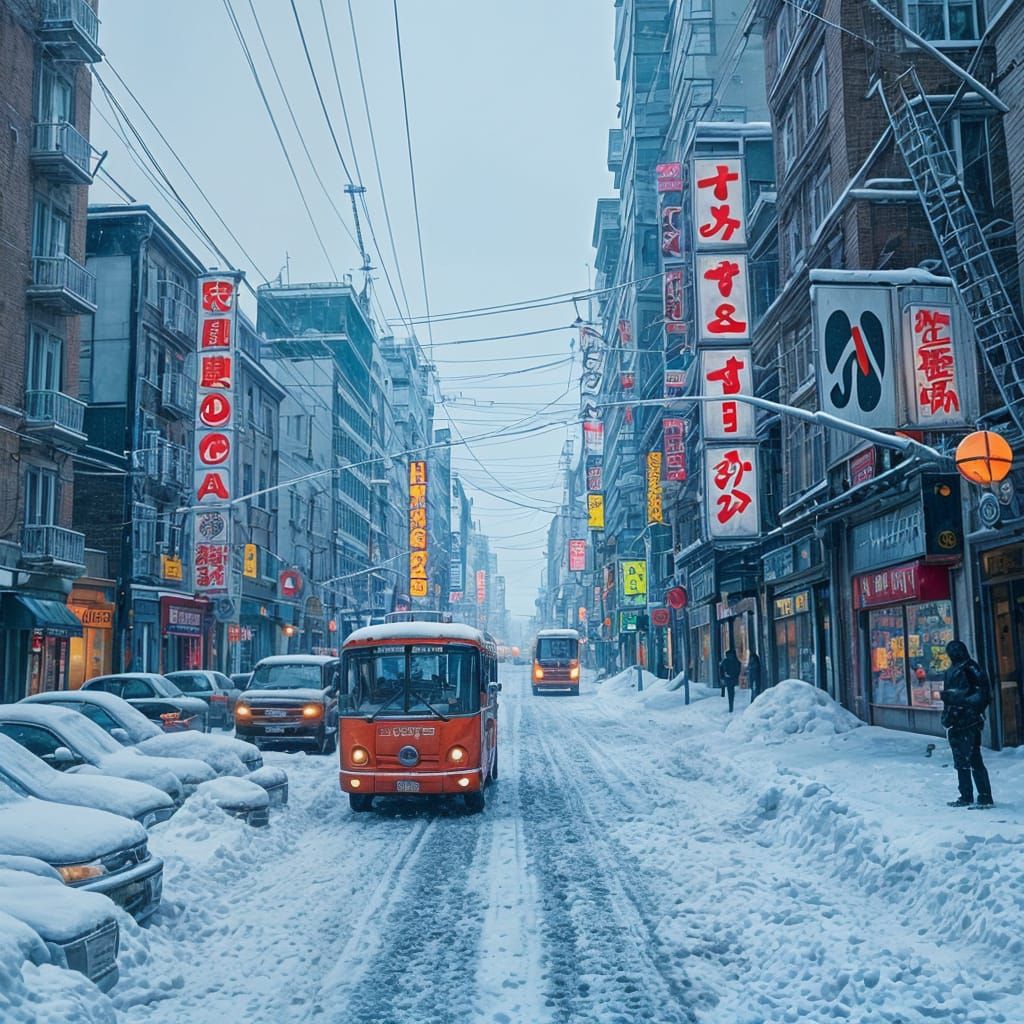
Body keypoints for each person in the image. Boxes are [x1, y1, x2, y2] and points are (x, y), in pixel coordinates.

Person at [940, 640, 994, 808]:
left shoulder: (971, 668)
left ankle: (984, 796)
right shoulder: (951, 671)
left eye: (955, 651)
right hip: (954, 721)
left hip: (968, 721)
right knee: (960, 761)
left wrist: (964, 705)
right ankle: (966, 795)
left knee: (974, 758)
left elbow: (983, 695)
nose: (952, 654)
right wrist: (947, 714)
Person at [719, 649, 741, 713]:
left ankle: (731, 706)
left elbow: (721, 670)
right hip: (733, 678)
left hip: (728, 679)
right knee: (731, 692)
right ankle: (731, 705)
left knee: (730, 692)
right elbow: (739, 669)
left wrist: (722, 677)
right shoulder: (736, 660)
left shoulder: (725, 661)